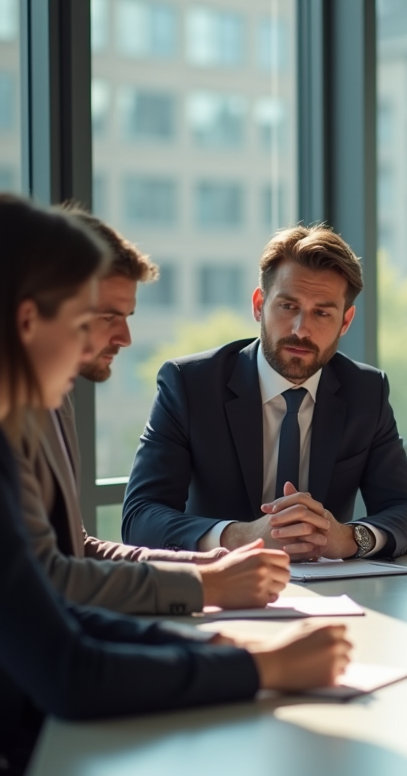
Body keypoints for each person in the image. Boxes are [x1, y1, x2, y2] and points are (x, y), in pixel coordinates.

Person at [0, 195, 351, 776]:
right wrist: (261, 669)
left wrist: (215, 643)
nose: (99, 344)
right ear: (28, 320)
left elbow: (44, 606)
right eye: (83, 324)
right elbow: (68, 669)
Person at [18, 208, 290, 615]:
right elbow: (47, 581)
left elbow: (77, 548)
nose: (125, 338)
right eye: (108, 316)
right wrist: (208, 588)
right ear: (32, 315)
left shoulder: (54, 403)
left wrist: (206, 564)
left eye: (126, 317)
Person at [122, 224, 407, 561]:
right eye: (288, 306)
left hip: (335, 593)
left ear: (345, 322)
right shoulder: (190, 385)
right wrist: (241, 536)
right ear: (259, 305)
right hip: (220, 593)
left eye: (322, 313)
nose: (301, 330)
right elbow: (140, 516)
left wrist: (350, 538)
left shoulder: (365, 391)